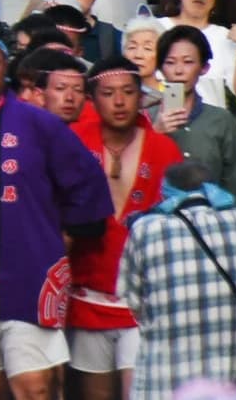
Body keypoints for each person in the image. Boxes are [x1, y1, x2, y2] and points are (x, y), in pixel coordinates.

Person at [0, 31, 110, 400]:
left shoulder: (37, 123)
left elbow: (87, 185)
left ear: (6, 69)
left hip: (26, 280)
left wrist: (63, 239)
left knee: (36, 390)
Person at [67, 56, 185, 400]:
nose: (119, 102)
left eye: (128, 92)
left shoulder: (165, 149)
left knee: (141, 393)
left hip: (143, 301)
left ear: (140, 96)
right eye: (108, 93)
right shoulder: (72, 142)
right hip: (86, 295)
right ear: (93, 97)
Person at [119, 162, 236, 399]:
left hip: (165, 382)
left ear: (167, 190)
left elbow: (132, 300)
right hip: (231, 382)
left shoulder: (146, 229)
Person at [150, 26, 236, 207]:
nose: (179, 70)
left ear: (204, 67)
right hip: (158, 224)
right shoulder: (145, 117)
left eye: (188, 62)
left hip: (212, 223)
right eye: (170, 62)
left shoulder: (220, 120)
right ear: (160, 68)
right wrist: (155, 134)